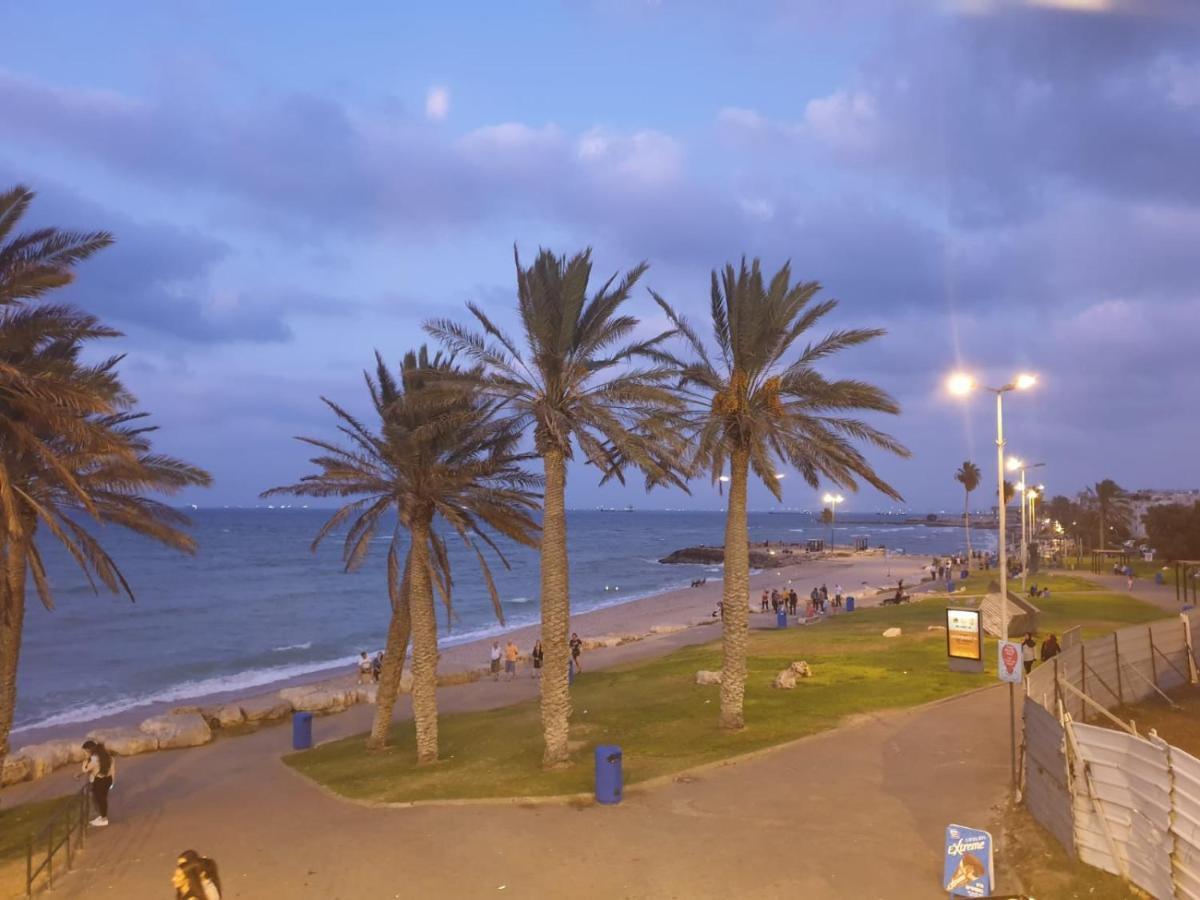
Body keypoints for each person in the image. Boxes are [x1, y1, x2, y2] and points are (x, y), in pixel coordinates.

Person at [76, 740, 115, 826]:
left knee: (99, 800)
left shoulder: (94, 759)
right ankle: (102, 816)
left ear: (89, 750)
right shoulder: (107, 756)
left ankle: (104, 819)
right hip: (108, 780)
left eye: (85, 752)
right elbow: (112, 770)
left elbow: (85, 769)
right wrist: (112, 782)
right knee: (103, 799)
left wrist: (85, 761)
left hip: (99, 781)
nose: (84, 753)